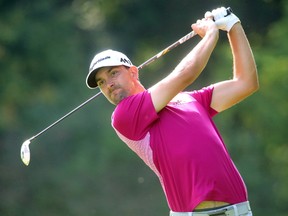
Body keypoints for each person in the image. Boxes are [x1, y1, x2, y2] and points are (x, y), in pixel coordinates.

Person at [85, 7, 259, 216]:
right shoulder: (124, 116)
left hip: (239, 210)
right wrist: (211, 34)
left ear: (133, 72)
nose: (109, 84)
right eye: (102, 82)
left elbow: (246, 83)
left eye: (113, 73)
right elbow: (186, 73)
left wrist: (233, 26)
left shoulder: (190, 99)